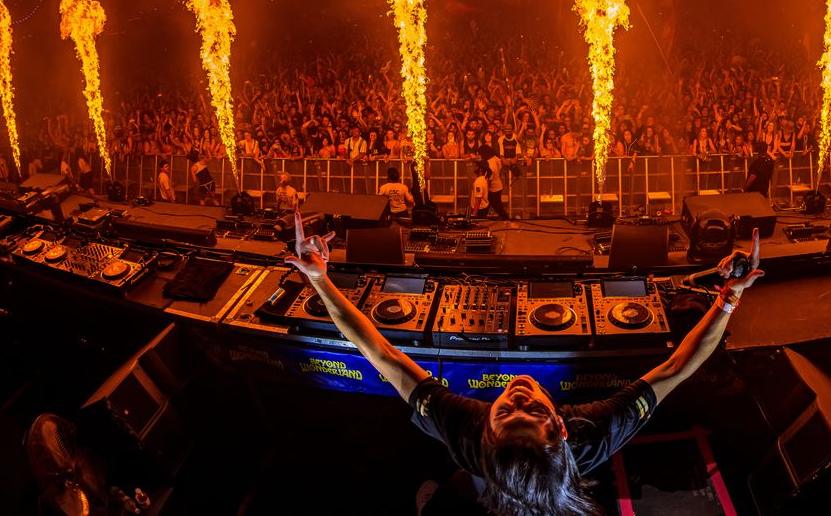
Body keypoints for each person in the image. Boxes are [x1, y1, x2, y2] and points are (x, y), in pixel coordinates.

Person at [285, 218, 763, 516]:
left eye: (503, 413)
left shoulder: (463, 431)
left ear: (484, 432)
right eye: (532, 414)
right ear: (560, 428)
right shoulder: (593, 434)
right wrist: (728, 299)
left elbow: (380, 352)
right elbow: (678, 368)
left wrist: (320, 281)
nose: (517, 395)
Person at [482, 146, 509, 219]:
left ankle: (505, 217)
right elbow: (500, 168)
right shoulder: (495, 158)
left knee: (496, 205)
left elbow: (490, 177)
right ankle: (503, 217)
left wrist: (487, 188)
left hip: (494, 187)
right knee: (495, 204)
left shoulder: (490, 163)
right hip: (498, 184)